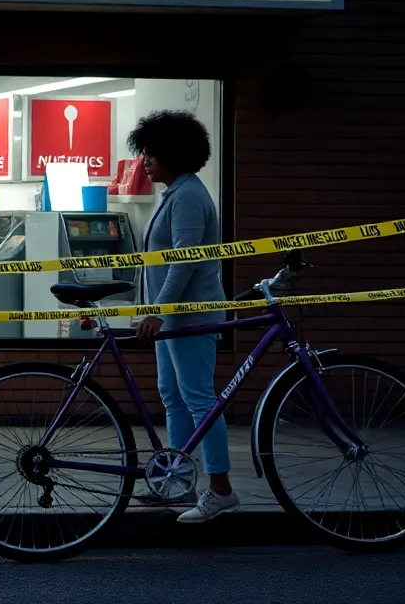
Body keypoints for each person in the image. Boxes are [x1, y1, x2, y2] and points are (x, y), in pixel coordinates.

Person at [127, 109, 237, 523]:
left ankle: (221, 490)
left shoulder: (189, 196)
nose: (145, 160)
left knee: (199, 401)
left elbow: (183, 262)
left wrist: (159, 311)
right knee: (174, 398)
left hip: (191, 317)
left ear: (173, 153)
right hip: (174, 319)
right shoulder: (175, 193)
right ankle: (177, 479)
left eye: (152, 152)